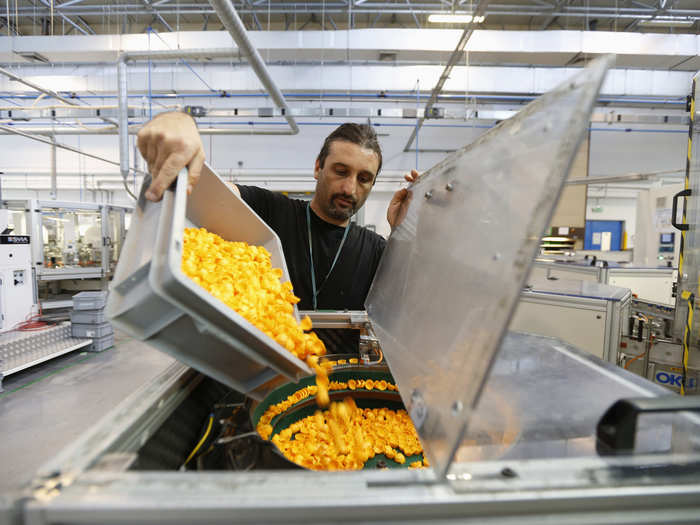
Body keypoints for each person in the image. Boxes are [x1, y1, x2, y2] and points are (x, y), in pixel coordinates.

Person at [137, 112, 418, 353]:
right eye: (340, 171)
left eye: (364, 178)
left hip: (338, 391)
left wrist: (403, 231)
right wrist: (177, 123)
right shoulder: (269, 210)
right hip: (263, 378)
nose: (350, 188)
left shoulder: (376, 249)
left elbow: (409, 309)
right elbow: (201, 193)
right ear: (318, 167)